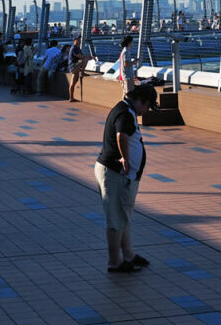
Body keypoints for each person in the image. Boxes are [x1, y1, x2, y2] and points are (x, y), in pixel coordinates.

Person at [94, 84, 158, 273]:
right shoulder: (125, 113)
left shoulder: (124, 109)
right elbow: (121, 135)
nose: (147, 111)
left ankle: (128, 255)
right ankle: (115, 262)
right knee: (115, 219)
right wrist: (126, 160)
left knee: (122, 217)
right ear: (141, 101)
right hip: (115, 174)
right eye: (148, 106)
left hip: (115, 173)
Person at [68, 35, 87, 102]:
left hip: (74, 66)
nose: (79, 40)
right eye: (78, 39)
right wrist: (88, 57)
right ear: (75, 40)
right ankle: (82, 72)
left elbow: (81, 56)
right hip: (74, 66)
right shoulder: (74, 48)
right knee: (85, 60)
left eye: (80, 39)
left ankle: (71, 98)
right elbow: (81, 56)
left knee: (73, 83)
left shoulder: (77, 48)